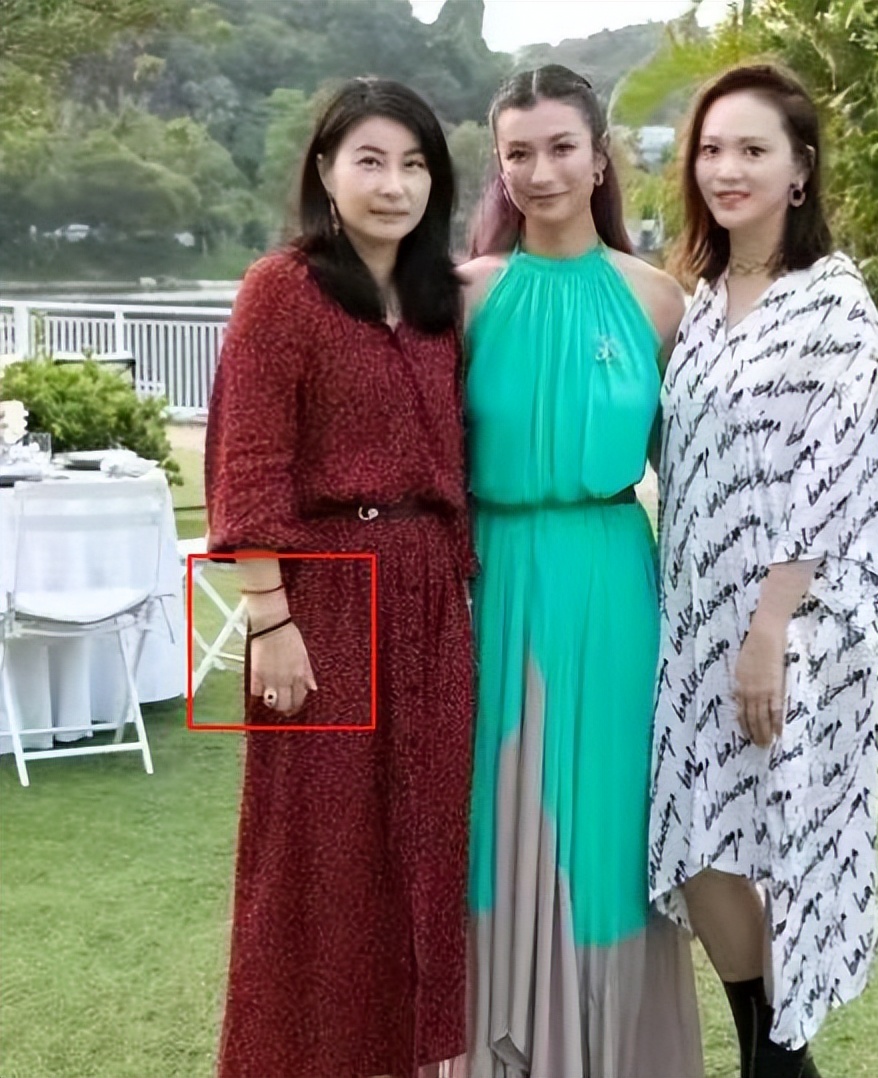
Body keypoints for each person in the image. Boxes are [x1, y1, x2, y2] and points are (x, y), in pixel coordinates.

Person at [205, 78, 476, 1078]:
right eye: (370, 160)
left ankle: (406, 1060)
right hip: (322, 596)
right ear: (325, 170)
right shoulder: (281, 289)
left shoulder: (441, 302)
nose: (392, 184)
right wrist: (270, 618)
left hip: (431, 597)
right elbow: (249, 461)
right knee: (311, 857)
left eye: (413, 164)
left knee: (423, 848)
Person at [649, 63, 878, 1078]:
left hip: (797, 624)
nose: (727, 168)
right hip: (694, 617)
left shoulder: (835, 303)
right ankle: (781, 1062)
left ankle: (776, 1061)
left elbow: (838, 475)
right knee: (692, 838)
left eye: (752, 149)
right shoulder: (702, 302)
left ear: (799, 170)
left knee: (790, 843)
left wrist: (768, 633)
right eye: (711, 149)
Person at [460, 64, 705, 1077]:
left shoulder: (659, 301)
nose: (541, 171)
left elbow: (700, 478)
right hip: (492, 581)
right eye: (518, 152)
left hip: (613, 586)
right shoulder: (464, 296)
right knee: (494, 822)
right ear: (499, 165)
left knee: (603, 828)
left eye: (561, 147)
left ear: (598, 159)